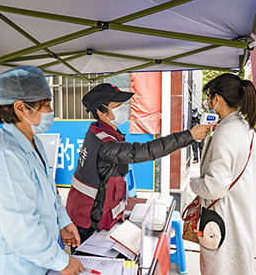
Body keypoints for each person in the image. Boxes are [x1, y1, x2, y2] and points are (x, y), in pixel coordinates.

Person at [0, 66, 83, 275]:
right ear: (20, 108)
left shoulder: (33, 143)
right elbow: (21, 228)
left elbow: (48, 192)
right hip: (11, 271)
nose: (50, 112)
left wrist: (63, 221)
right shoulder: (5, 156)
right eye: (45, 105)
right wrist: (63, 261)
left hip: (34, 262)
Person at [66, 83, 211, 243]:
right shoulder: (104, 144)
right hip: (87, 221)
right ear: (101, 112)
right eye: (118, 106)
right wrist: (189, 136)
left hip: (94, 213)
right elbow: (143, 151)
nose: (123, 109)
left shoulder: (101, 131)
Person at [189, 73, 256, 275]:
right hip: (239, 215)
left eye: (209, 98)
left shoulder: (225, 134)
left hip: (223, 222)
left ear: (217, 99)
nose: (208, 103)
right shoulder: (245, 129)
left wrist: (193, 183)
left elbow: (215, 186)